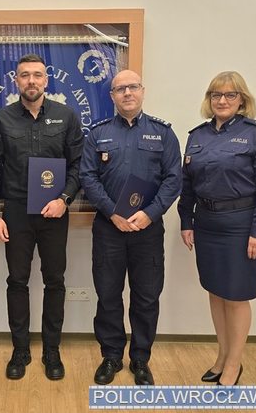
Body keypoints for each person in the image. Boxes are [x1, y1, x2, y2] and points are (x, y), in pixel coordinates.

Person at [0, 54, 84, 380]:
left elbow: (79, 165)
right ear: (16, 81)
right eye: (24, 75)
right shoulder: (1, 120)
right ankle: (20, 349)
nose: (31, 81)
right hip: (15, 213)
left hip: (54, 213)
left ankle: (52, 351)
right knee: (17, 281)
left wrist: (64, 199)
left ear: (46, 80)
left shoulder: (66, 116)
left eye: (37, 75)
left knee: (55, 281)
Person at [177, 71, 256, 386]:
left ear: (242, 99)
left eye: (230, 95)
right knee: (216, 292)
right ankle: (222, 356)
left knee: (235, 296)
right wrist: (186, 221)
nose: (222, 100)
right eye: (216, 95)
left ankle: (234, 364)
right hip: (206, 224)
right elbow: (187, 184)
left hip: (240, 226)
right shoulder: (197, 136)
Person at [80, 70, 181, 386]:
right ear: (112, 95)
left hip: (147, 230)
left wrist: (150, 214)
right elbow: (88, 177)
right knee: (108, 295)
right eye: (120, 88)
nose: (127, 93)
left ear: (142, 91)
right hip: (109, 228)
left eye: (132, 87)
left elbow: (173, 179)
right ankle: (111, 356)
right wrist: (112, 212)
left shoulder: (163, 134)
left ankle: (140, 359)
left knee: (146, 297)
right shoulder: (98, 133)